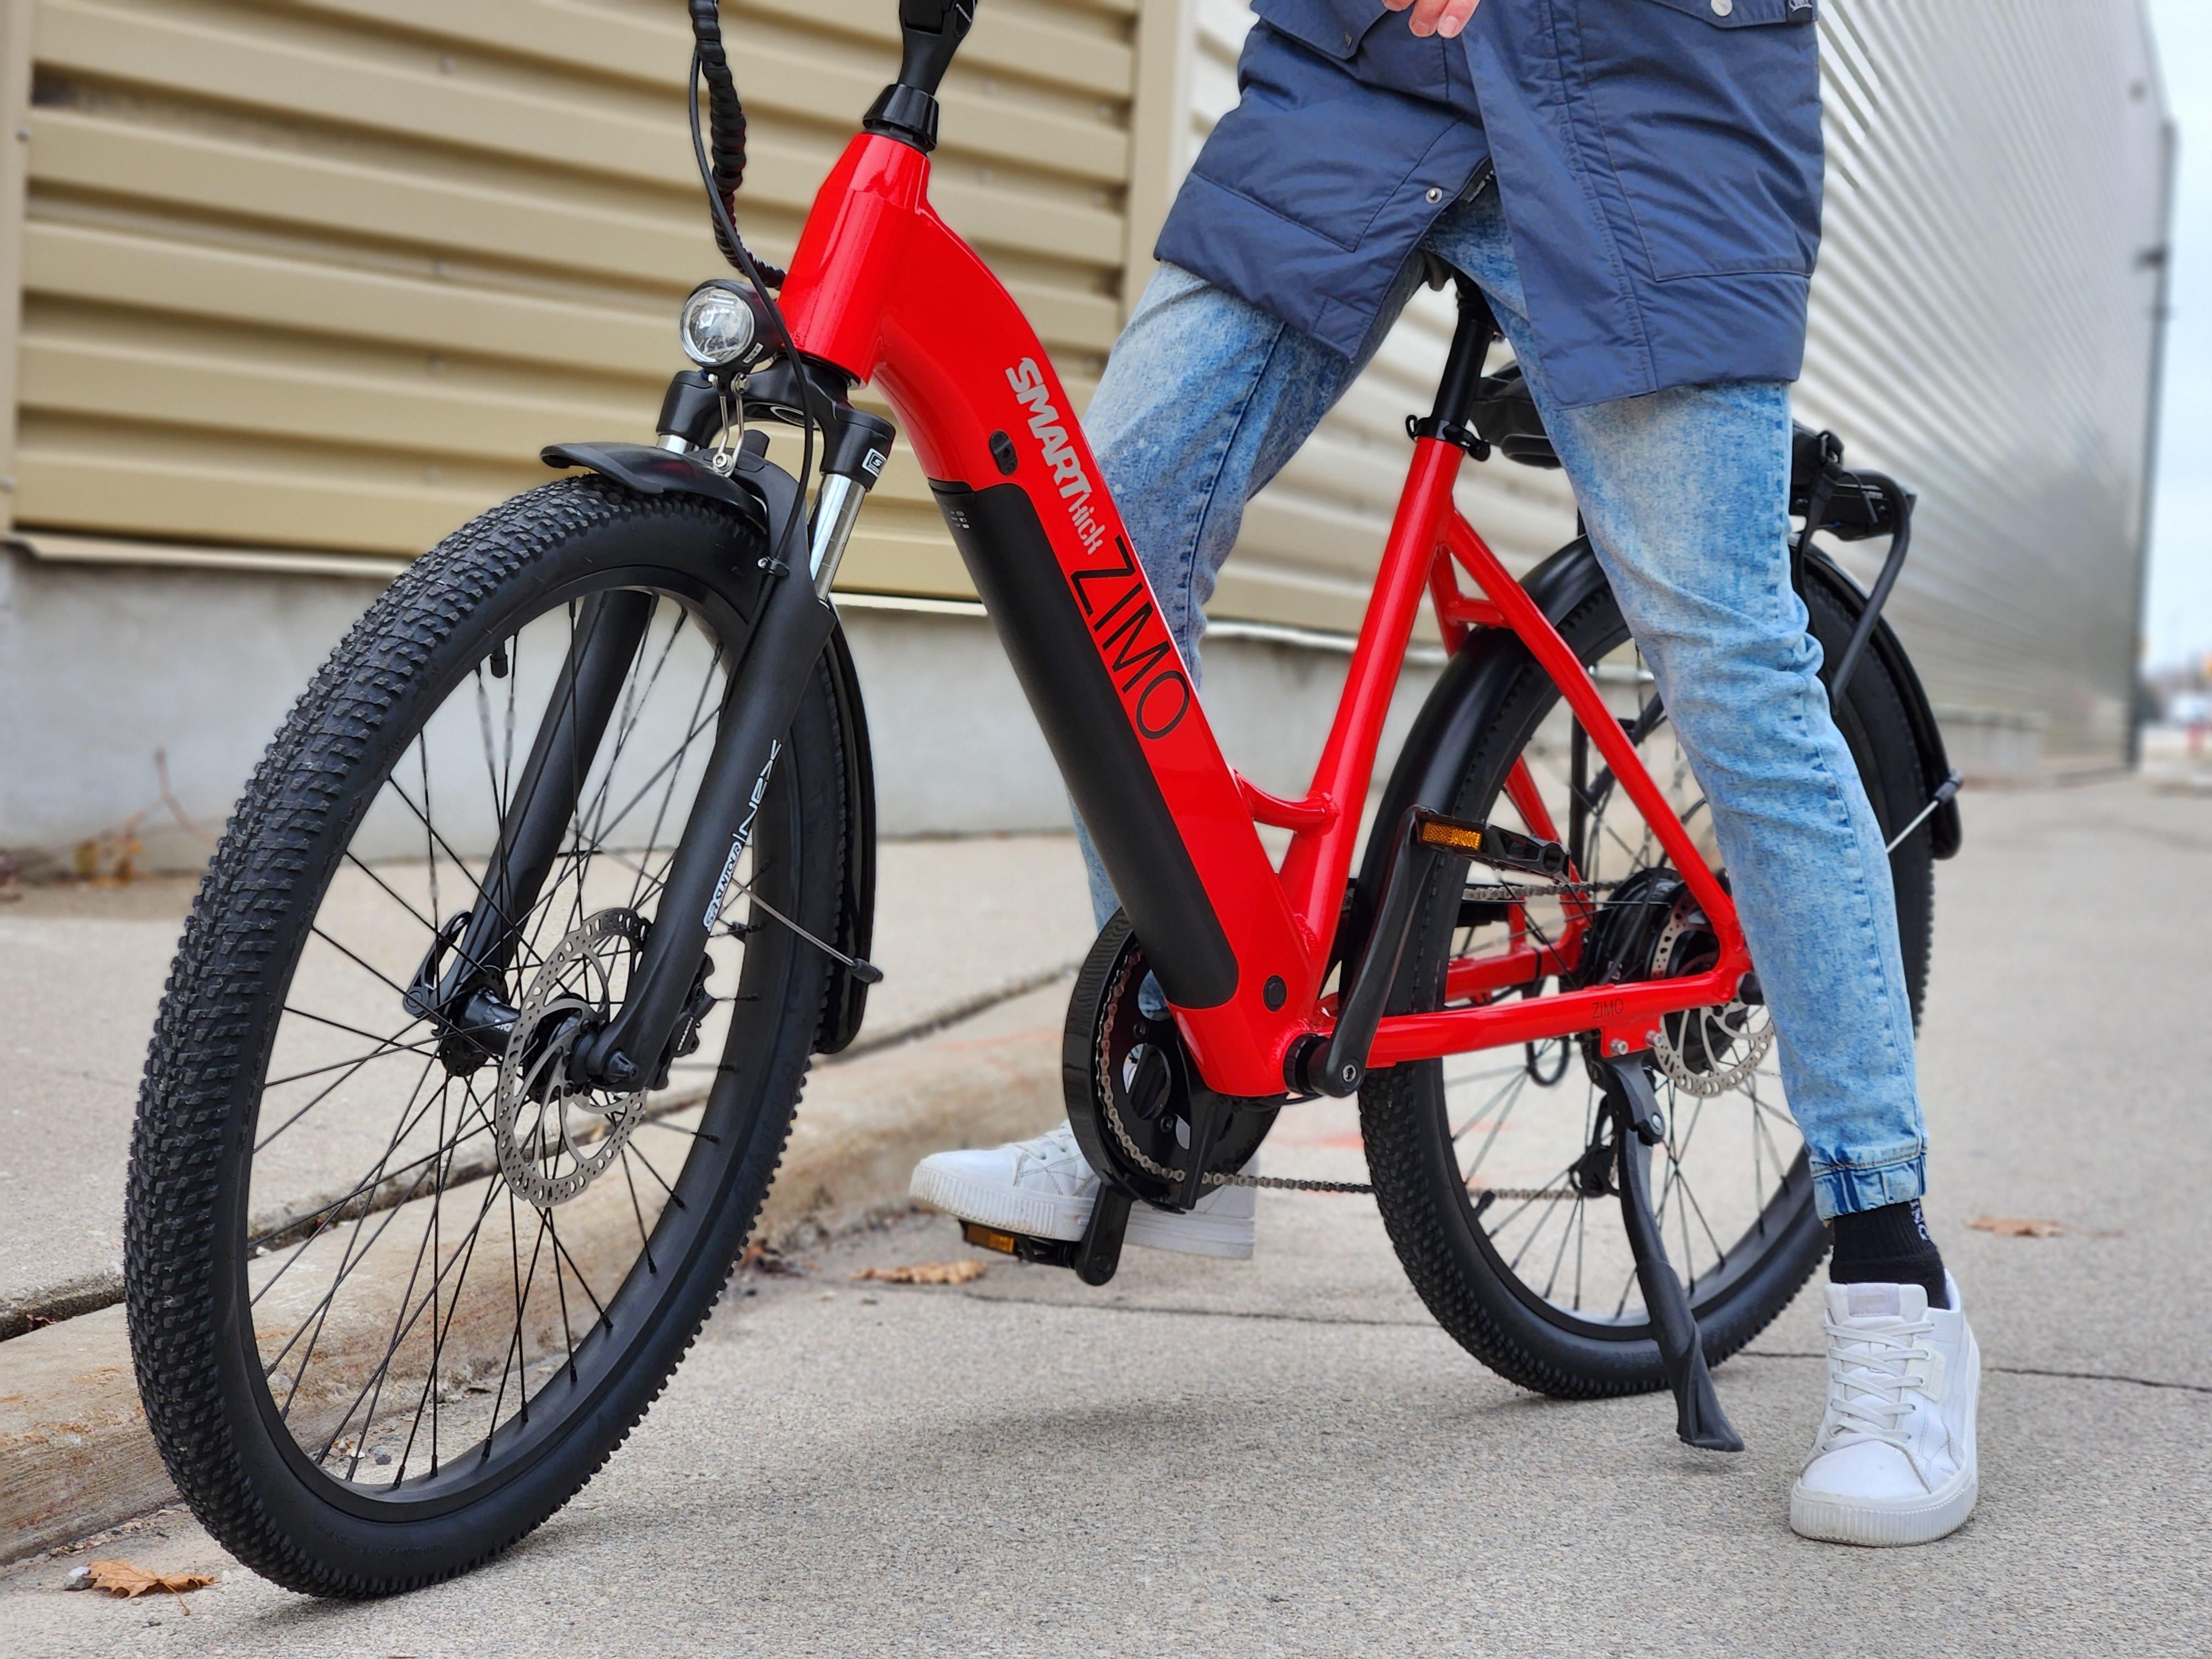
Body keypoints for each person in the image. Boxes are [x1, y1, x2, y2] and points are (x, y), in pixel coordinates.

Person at [912, 0, 1979, 1546]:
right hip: (1371, 75)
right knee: (1097, 533)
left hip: (1645, 98)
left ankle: (1895, 1283)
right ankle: (1169, 1089)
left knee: (1729, 658)